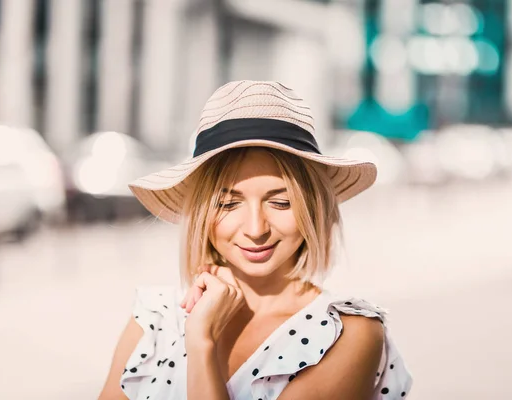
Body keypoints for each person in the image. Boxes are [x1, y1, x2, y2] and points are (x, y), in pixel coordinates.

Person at [98, 80, 412, 400]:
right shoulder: (155, 320)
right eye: (228, 204)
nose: (255, 228)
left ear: (312, 208)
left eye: (280, 202)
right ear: (203, 213)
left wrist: (202, 342)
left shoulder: (348, 334)